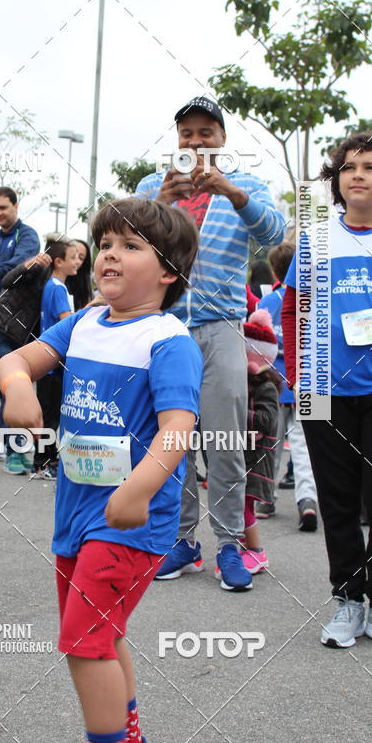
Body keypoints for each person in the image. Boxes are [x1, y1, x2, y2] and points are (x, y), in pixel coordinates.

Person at [0, 197, 202, 743]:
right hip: (76, 512)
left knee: (84, 641)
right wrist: (17, 387)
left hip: (130, 522)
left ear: (167, 272)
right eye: (106, 244)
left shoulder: (168, 341)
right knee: (101, 633)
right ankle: (129, 739)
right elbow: (15, 360)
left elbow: (177, 431)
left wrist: (138, 490)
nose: (110, 255)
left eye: (130, 246)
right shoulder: (84, 322)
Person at [136, 95, 285, 590]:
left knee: (225, 440)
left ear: (223, 139)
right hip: (164, 328)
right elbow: (125, 240)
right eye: (187, 133)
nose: (196, 141)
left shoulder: (246, 185)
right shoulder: (150, 187)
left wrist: (233, 194)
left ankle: (229, 546)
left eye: (207, 132)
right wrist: (160, 203)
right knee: (170, 441)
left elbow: (275, 232)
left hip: (222, 326)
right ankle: (181, 542)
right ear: (176, 139)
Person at [283, 131, 372, 652]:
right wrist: (296, 372)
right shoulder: (316, 237)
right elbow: (292, 307)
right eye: (348, 166)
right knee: (336, 501)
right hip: (322, 391)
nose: (357, 174)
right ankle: (349, 600)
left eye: (370, 167)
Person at [257, 242, 318, 530]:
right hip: (314, 379)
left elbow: (256, 345)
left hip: (275, 381)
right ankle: (308, 500)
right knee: (310, 446)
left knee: (271, 444)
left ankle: (266, 498)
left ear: (275, 270)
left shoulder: (267, 302)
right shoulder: (316, 296)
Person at [0, 187, 40, 459]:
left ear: (16, 206)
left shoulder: (27, 236)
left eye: (3, 207)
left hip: (18, 324)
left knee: (12, 384)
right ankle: (3, 442)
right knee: (9, 385)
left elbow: (19, 265)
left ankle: (0, 441)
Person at [226, 309, 279, 580]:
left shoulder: (266, 387)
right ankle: (245, 547)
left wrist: (235, 413)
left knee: (243, 506)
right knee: (236, 504)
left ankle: (257, 550)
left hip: (256, 458)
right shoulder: (241, 383)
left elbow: (266, 421)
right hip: (241, 453)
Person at [34, 238, 79, 478]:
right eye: (73, 257)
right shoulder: (58, 287)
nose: (77, 262)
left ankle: (45, 460)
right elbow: (67, 322)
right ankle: (44, 463)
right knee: (50, 417)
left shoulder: (52, 286)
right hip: (53, 364)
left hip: (48, 363)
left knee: (48, 415)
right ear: (59, 261)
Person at [67, 239, 93, 310]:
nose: (76, 259)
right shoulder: (55, 284)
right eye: (73, 254)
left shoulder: (82, 288)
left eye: (81, 258)